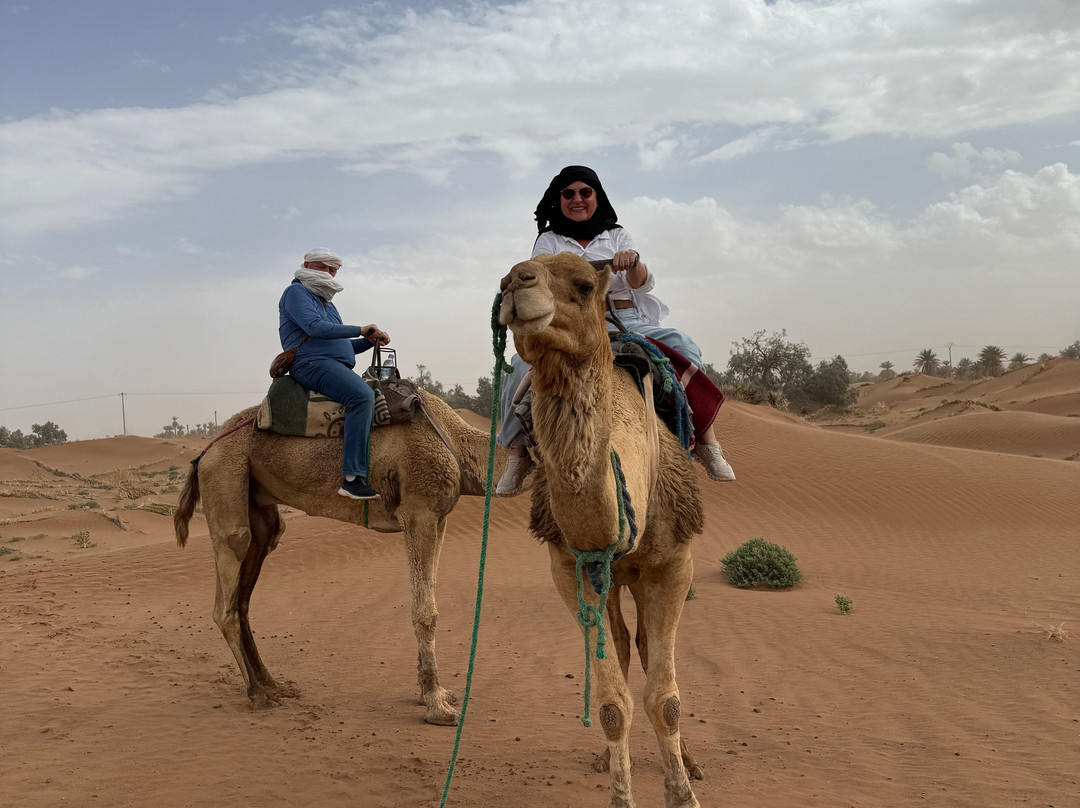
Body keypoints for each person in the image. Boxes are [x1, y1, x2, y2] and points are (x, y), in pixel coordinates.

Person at [495, 166, 736, 495]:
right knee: (517, 366)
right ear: (559, 199)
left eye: (585, 192)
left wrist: (632, 260)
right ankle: (518, 454)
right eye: (568, 193)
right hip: (574, 324)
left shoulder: (617, 235)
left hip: (624, 319)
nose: (577, 199)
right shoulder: (548, 241)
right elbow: (543, 278)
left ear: (597, 197)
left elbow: (640, 282)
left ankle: (705, 441)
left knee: (683, 344)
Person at [278, 248, 390, 500]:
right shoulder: (296, 293)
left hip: (333, 363)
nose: (329, 273)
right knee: (361, 396)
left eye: (333, 270)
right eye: (324, 267)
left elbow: (343, 344)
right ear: (307, 265)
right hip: (311, 363)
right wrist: (361, 329)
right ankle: (352, 478)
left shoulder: (327, 303)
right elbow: (315, 328)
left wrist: (371, 341)